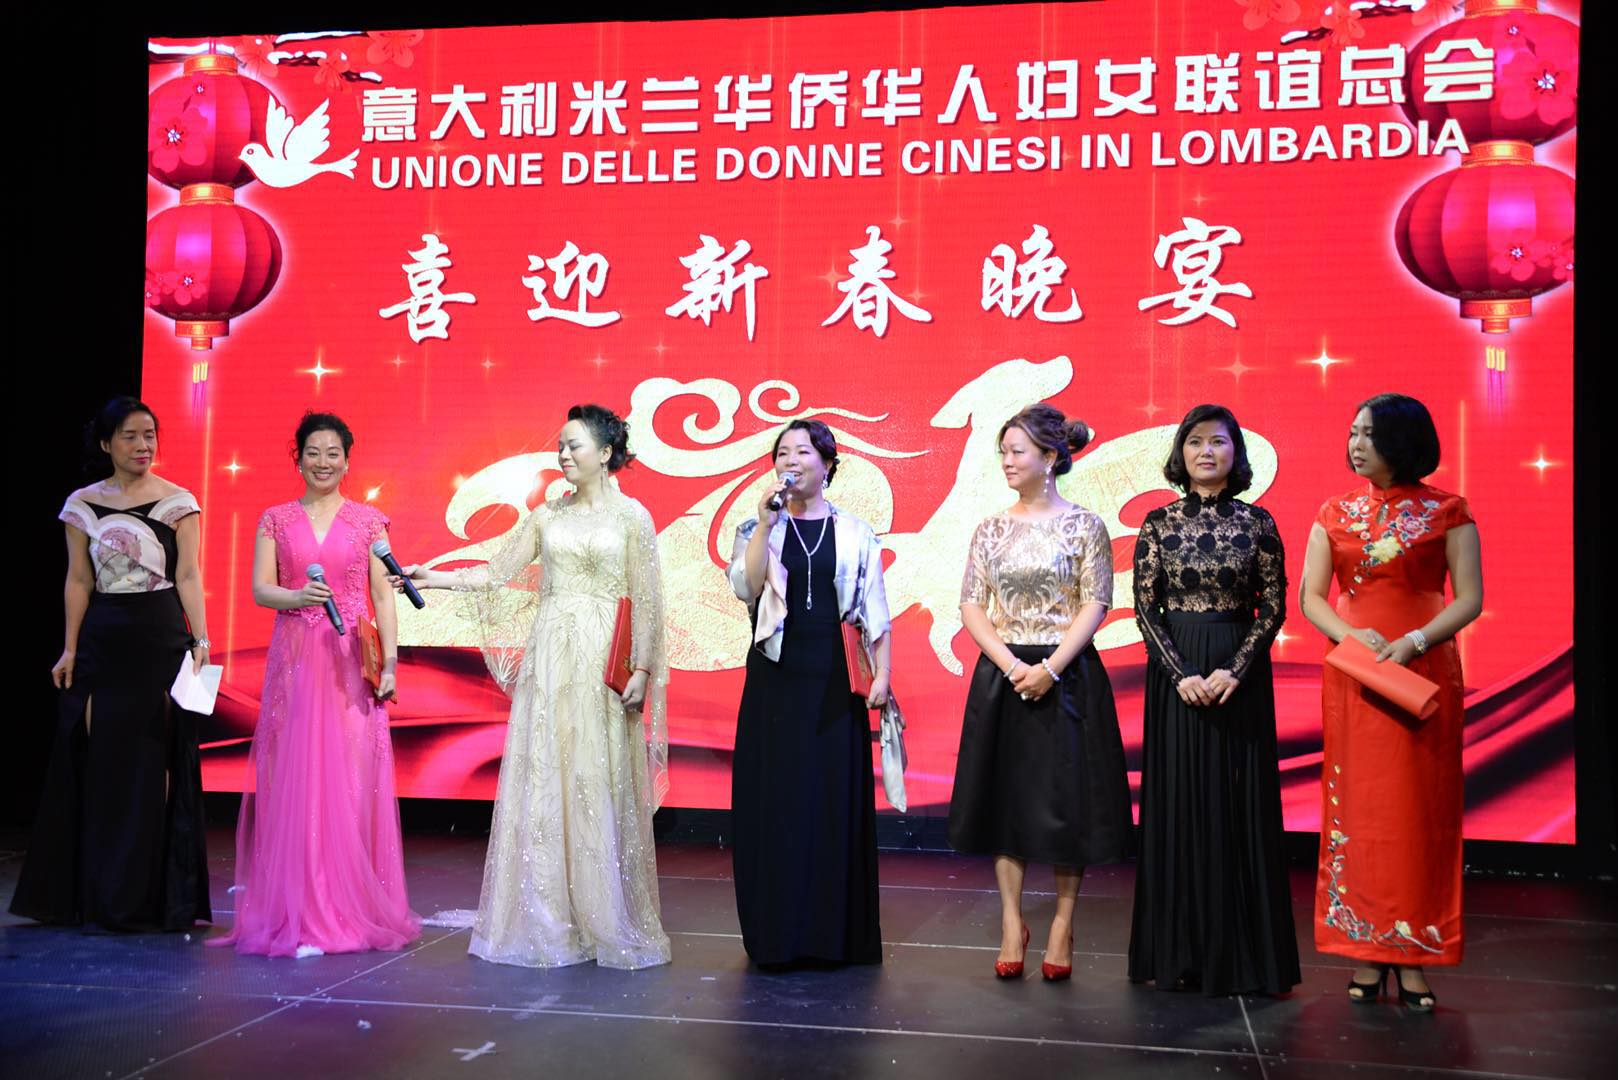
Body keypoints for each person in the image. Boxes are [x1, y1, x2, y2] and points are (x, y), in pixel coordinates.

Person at [400, 404, 671, 969]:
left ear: (606, 453)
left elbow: (647, 599)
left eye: (575, 445)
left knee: (596, 774)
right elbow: (497, 572)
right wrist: (437, 578)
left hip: (604, 658)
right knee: (549, 773)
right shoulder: (547, 516)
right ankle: (550, 917)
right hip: (551, 656)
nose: (564, 454)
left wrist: (642, 669)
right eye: (561, 445)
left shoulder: (633, 517)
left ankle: (603, 915)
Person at [211, 412, 419, 957]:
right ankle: (299, 904)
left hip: (351, 661)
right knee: (296, 776)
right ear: (298, 458)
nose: (323, 462)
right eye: (313, 452)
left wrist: (390, 664)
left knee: (350, 776)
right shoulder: (275, 519)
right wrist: (297, 597)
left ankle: (351, 902)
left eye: (333, 453)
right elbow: (261, 589)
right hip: (297, 658)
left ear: (347, 461)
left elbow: (382, 596)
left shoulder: (369, 522)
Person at [1300, 393, 1482, 1011]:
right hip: (1357, 674)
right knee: (1362, 813)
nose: (1356, 444)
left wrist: (1414, 641)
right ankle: (1365, 947)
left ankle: (1415, 954)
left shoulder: (1449, 510)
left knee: (1418, 814)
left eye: (1369, 434)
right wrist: (1354, 640)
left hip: (1422, 670)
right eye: (1353, 432)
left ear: (1402, 442)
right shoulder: (1334, 511)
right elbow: (1312, 598)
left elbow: (1469, 598)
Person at [947, 404, 1133, 981]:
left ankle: (1062, 923)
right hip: (1004, 674)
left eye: (1017, 451)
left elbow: (1095, 602)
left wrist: (1050, 667)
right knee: (1006, 799)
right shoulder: (990, 528)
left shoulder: (1085, 525)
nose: (1006, 461)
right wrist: (1010, 665)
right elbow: (971, 604)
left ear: (1050, 457)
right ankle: (1011, 921)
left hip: (1067, 672)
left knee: (1068, 802)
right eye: (1002, 451)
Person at [11, 397, 211, 931]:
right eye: (130, 436)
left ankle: (155, 897)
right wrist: (70, 647)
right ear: (105, 443)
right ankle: (100, 894)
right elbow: (79, 579)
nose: (143, 445)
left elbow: (188, 575)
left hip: (160, 637)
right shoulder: (83, 505)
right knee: (102, 761)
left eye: (150, 435)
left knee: (157, 762)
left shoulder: (178, 503)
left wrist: (201, 639)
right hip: (105, 639)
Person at [1127, 404, 1299, 996]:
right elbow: (1146, 608)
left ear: (1236, 453)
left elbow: (1273, 606)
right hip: (1176, 676)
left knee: (1239, 807)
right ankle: (1179, 952)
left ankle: (1247, 957)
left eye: (1219, 442)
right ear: (1181, 452)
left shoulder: (1259, 522)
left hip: (1237, 677)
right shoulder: (1157, 523)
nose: (1206, 451)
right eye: (1196, 441)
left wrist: (1235, 670)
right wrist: (1180, 674)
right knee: (1179, 805)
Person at [726, 419, 896, 968]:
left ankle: (833, 935)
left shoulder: (855, 532)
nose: (790, 461)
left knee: (830, 800)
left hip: (835, 679)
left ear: (827, 464)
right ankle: (777, 935)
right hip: (775, 677)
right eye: (782, 453)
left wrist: (883, 675)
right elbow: (746, 587)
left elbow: (875, 610)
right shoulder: (759, 525)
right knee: (776, 800)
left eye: (803, 452)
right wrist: (763, 525)